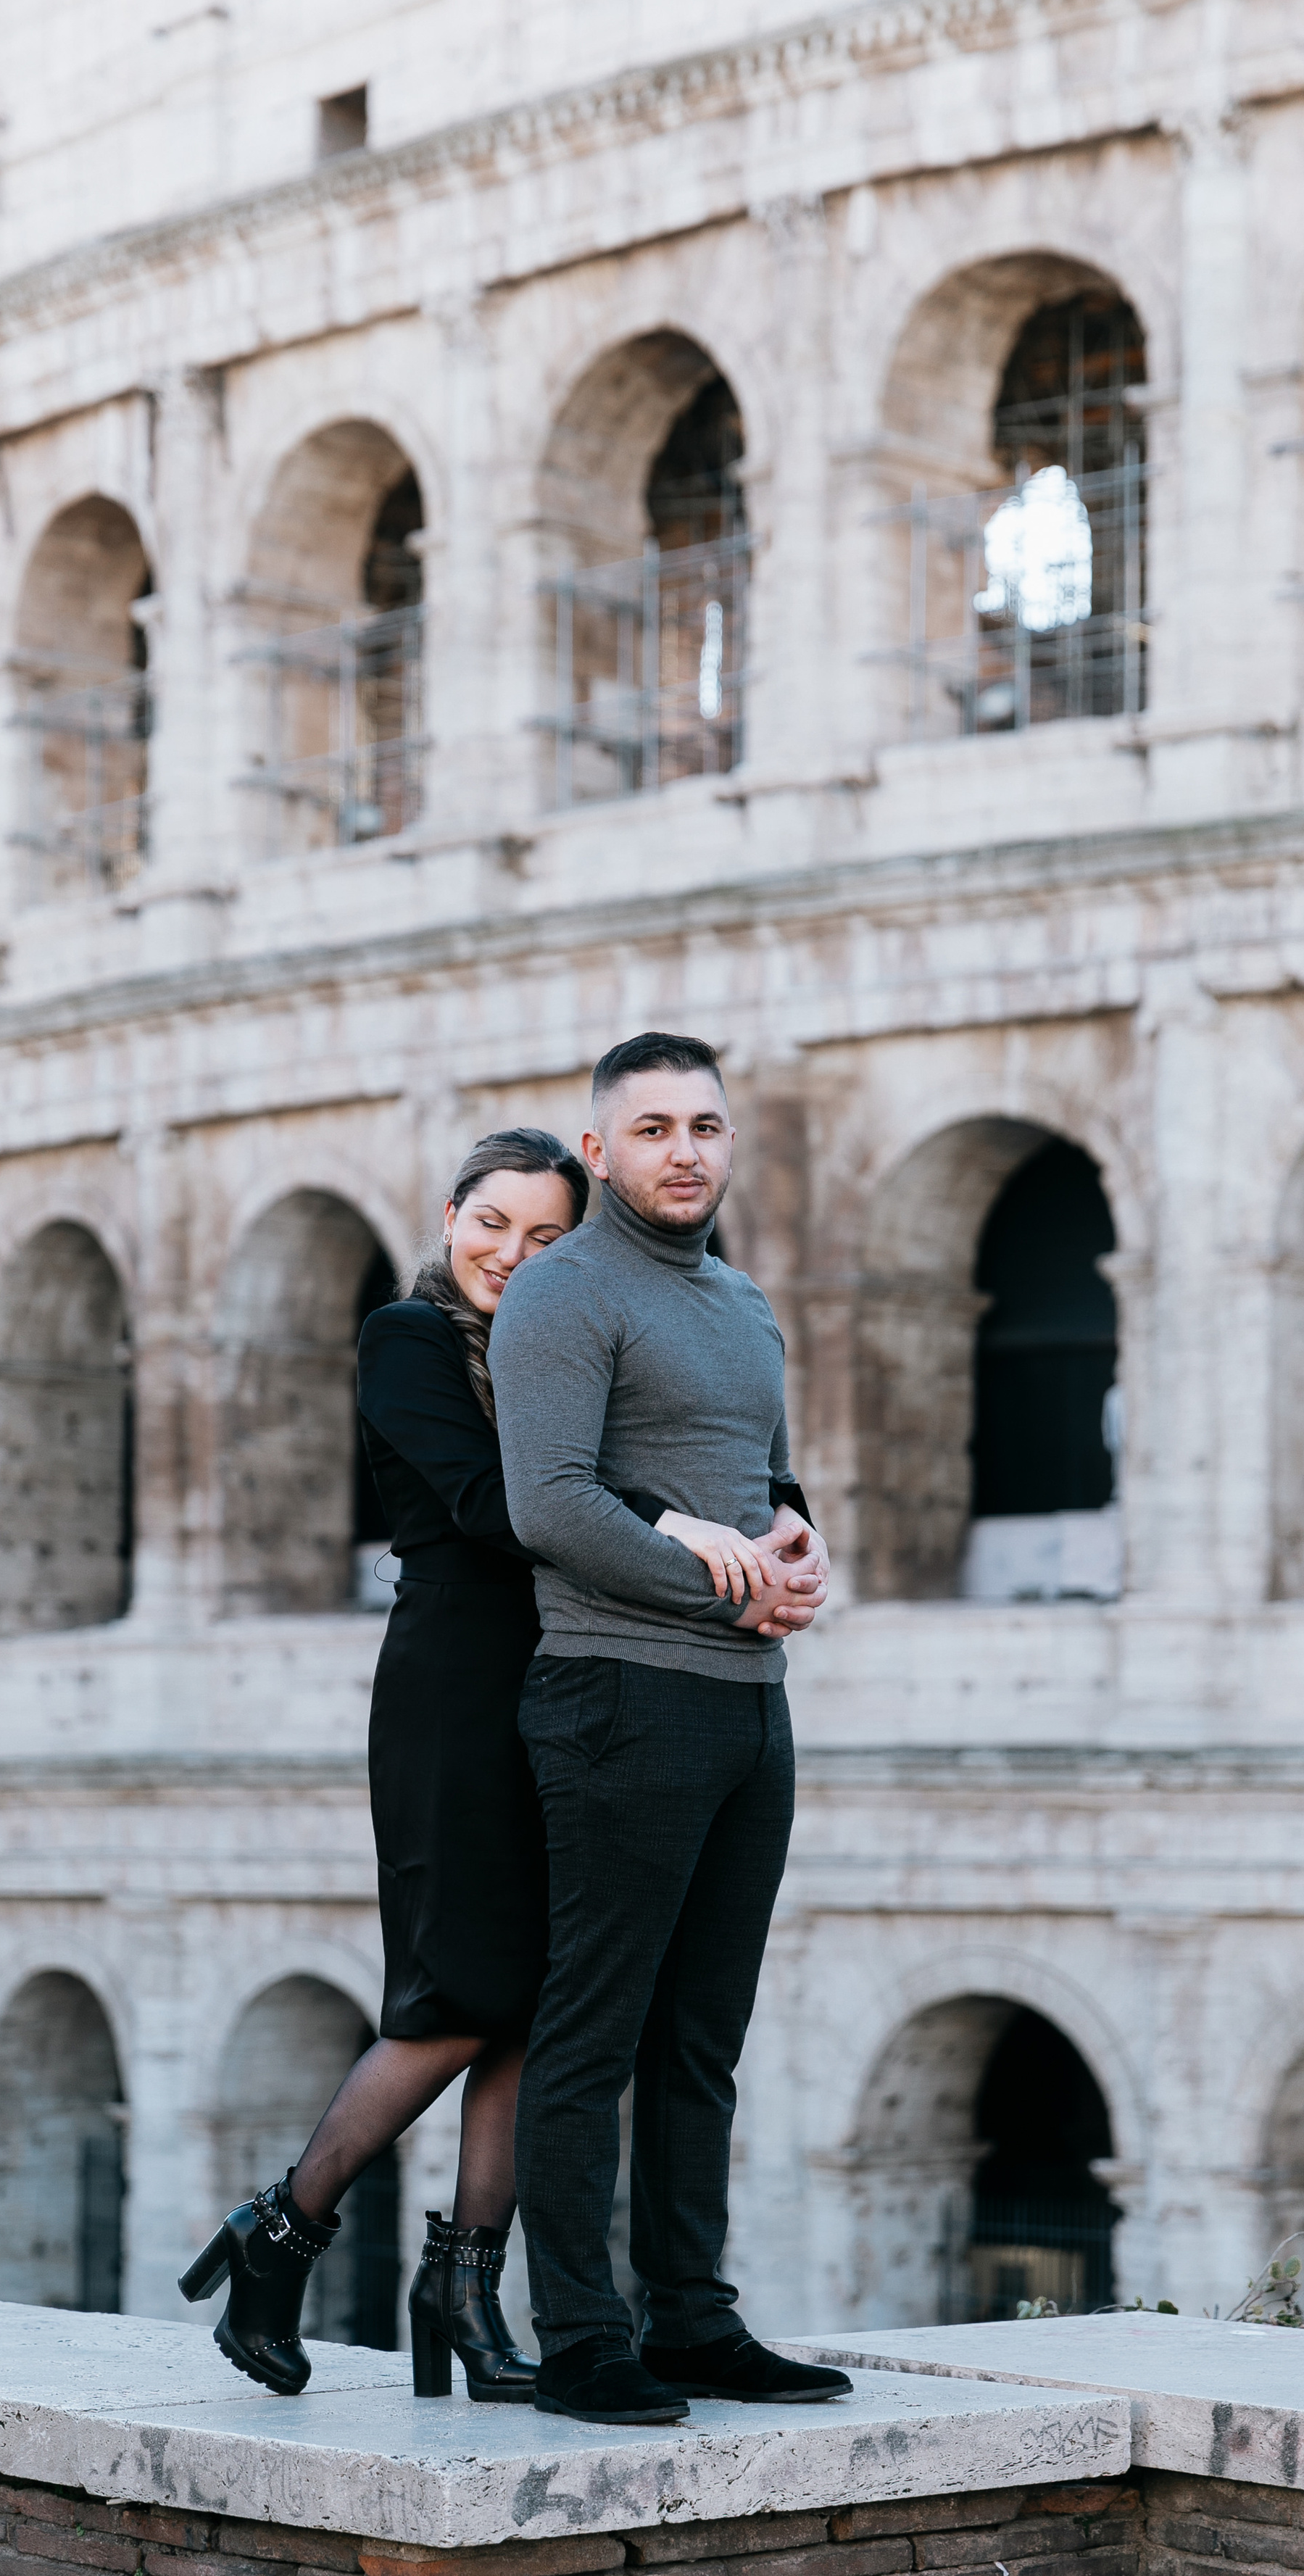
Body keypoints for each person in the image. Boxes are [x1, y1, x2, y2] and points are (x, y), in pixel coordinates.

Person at [181, 1126, 744, 2402]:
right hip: (454, 1693)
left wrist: (770, 1517)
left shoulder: (570, 1342)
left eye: (547, 1237)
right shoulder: (410, 1341)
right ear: (448, 1217)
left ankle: (465, 2285)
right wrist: (668, 1530)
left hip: (577, 1688)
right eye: (492, 1223)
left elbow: (681, 1450)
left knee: (550, 2004)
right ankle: (282, 2233)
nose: (512, 1254)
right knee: (456, 1998)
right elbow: (499, 1510)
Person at [488, 1030, 855, 2427]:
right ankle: (583, 2338)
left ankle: (694, 2319)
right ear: (599, 1152)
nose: (684, 1150)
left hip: (748, 1706)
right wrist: (731, 1576)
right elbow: (556, 1506)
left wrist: (799, 1542)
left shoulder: (742, 1301)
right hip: (617, 1696)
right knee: (595, 2030)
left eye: (705, 1125)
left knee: (705, 2034)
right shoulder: (563, 1293)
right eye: (651, 1130)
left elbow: (752, 1473)